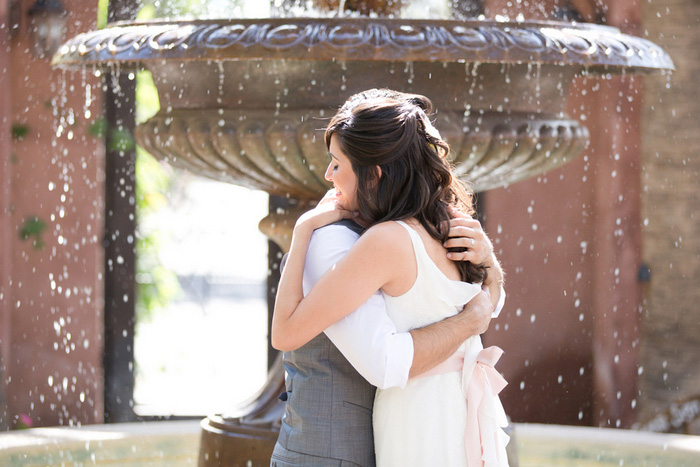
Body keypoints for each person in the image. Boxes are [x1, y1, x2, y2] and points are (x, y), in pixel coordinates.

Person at [271, 89, 509, 466]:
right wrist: (490, 262)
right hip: (464, 407)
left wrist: (302, 232)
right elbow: (491, 300)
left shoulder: (385, 240)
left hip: (417, 416)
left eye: (336, 163)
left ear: (375, 173)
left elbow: (285, 333)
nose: (327, 175)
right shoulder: (449, 222)